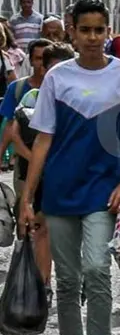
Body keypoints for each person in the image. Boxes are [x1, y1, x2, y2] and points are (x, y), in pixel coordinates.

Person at [20, 0, 120, 335]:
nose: (92, 38)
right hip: (60, 192)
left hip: (104, 191)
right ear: (72, 33)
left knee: (96, 270)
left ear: (108, 31)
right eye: (85, 30)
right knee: (68, 280)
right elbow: (43, 139)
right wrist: (28, 198)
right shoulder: (57, 77)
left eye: (99, 30)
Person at [7, 42, 73, 293]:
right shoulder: (31, 97)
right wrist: (37, 160)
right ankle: (44, 283)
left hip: (71, 174)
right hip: (40, 175)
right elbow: (15, 135)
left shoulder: (82, 98)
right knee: (42, 228)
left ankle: (76, 277)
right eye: (52, 69)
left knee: (71, 230)